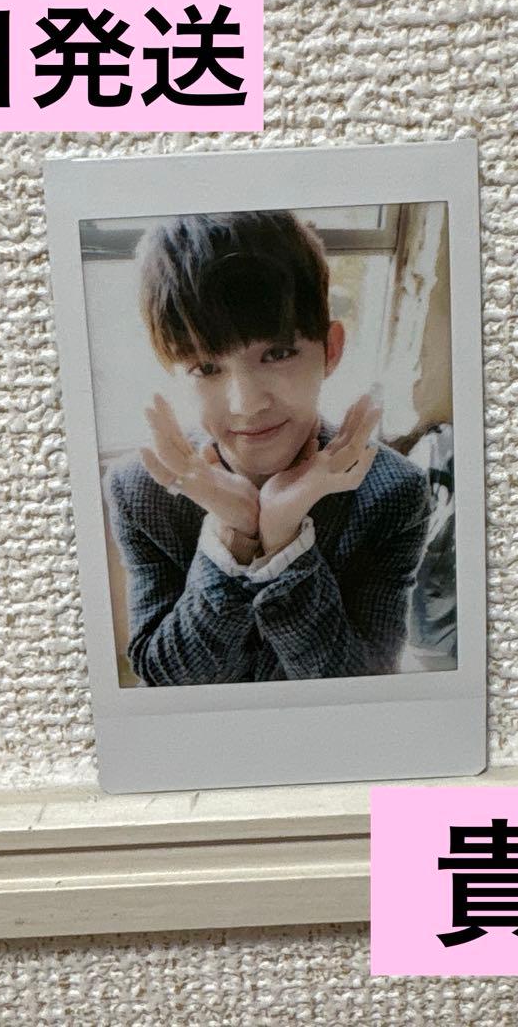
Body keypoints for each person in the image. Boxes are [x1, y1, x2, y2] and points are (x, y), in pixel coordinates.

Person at [104, 210, 430, 685]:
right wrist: (232, 540)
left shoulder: (394, 492)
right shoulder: (139, 491)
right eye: (206, 368)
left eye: (277, 354)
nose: (247, 404)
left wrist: (285, 542)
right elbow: (162, 678)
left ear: (330, 350)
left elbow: (365, 685)